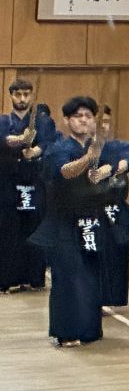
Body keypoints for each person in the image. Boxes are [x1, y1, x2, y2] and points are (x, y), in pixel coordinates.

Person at [37, 96, 109, 347]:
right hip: (63, 223)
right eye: (78, 116)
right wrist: (89, 158)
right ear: (67, 120)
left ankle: (89, 329)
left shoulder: (94, 148)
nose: (83, 120)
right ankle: (66, 331)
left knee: (90, 275)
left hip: (89, 222)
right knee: (68, 277)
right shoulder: (60, 148)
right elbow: (66, 172)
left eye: (88, 116)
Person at [1, 77, 52, 295]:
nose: (22, 98)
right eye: (18, 94)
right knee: (10, 232)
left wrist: (36, 150)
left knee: (34, 230)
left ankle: (34, 277)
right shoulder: (3, 121)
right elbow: (4, 140)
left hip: (34, 183)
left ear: (31, 96)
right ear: (11, 95)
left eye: (26, 94)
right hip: (9, 184)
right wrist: (20, 139)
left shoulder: (43, 122)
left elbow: (50, 142)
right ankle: (8, 279)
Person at [94, 107, 129, 309]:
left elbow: (127, 162)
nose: (103, 125)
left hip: (115, 209)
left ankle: (111, 297)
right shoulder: (80, 148)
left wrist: (112, 167)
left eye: (106, 121)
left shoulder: (121, 146)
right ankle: (93, 297)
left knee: (117, 253)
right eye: (99, 120)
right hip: (91, 210)